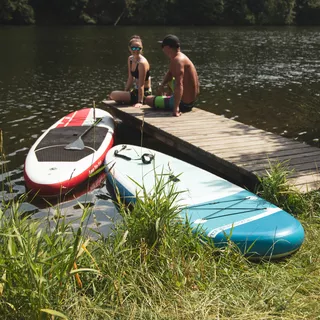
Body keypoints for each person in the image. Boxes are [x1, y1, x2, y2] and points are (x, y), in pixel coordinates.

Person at [145, 34, 199, 117]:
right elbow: (170, 73)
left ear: (167, 48)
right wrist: (162, 85)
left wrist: (176, 108)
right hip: (189, 102)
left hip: (183, 105)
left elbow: (179, 85)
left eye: (162, 46)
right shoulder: (181, 57)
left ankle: (173, 102)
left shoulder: (177, 61)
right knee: (172, 79)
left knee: (148, 99)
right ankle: (169, 97)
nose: (162, 49)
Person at [109, 35, 151, 108]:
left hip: (144, 93)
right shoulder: (130, 59)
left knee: (113, 94)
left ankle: (140, 100)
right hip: (136, 91)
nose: (136, 50)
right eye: (133, 48)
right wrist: (125, 92)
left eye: (139, 48)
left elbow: (141, 84)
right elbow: (130, 78)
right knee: (113, 96)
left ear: (142, 48)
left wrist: (139, 102)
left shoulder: (142, 63)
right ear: (129, 48)